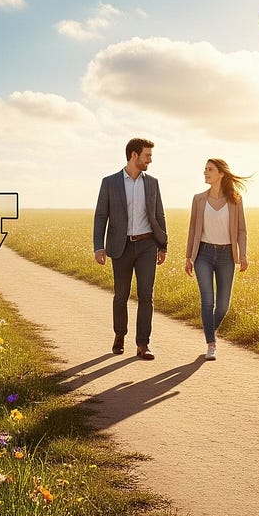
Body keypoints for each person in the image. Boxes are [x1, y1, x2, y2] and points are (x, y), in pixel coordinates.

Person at [93, 138, 167, 360]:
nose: (150, 160)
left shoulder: (152, 183)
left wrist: (162, 245)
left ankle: (143, 344)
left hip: (147, 245)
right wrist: (99, 247)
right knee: (121, 295)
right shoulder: (110, 182)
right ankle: (119, 335)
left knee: (146, 295)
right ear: (134, 155)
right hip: (121, 246)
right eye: (147, 155)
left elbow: (159, 214)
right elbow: (101, 215)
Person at [183, 158, 249, 360]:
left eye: (210, 169)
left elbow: (241, 230)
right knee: (207, 300)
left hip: (226, 256)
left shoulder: (235, 200)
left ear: (221, 173)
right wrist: (188, 257)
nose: (205, 172)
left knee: (223, 305)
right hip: (203, 254)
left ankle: (210, 329)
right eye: (205, 169)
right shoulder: (198, 199)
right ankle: (211, 344)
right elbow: (192, 229)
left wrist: (243, 254)